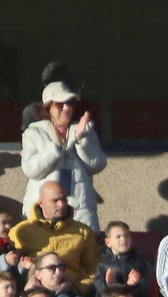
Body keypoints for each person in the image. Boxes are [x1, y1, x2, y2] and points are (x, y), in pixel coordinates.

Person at [21, 82, 107, 231]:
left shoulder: (84, 130)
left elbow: (98, 164)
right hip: (45, 214)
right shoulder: (33, 133)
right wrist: (54, 148)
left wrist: (81, 140)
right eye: (60, 104)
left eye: (70, 104)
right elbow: (30, 169)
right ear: (48, 106)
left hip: (80, 212)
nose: (66, 108)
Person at [8, 181, 100, 297]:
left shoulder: (82, 232)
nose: (61, 204)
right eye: (55, 201)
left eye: (64, 199)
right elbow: (9, 268)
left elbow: (95, 268)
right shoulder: (20, 231)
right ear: (41, 203)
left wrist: (79, 290)